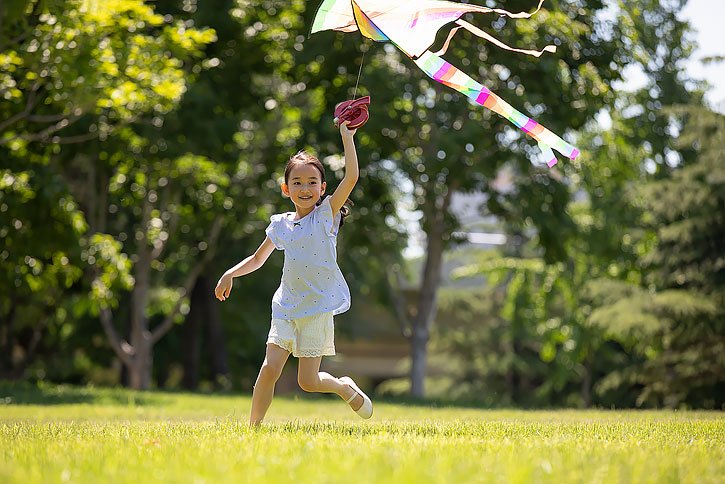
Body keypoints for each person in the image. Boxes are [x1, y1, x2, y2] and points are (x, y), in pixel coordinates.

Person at [214, 122, 372, 427]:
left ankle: (343, 387)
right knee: (269, 369)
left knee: (308, 381)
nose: (305, 188)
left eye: (312, 182)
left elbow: (352, 176)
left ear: (322, 188)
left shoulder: (326, 215)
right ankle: (253, 429)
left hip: (317, 308)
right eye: (297, 183)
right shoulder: (281, 225)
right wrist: (230, 273)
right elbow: (259, 258)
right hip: (286, 306)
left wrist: (346, 137)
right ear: (286, 189)